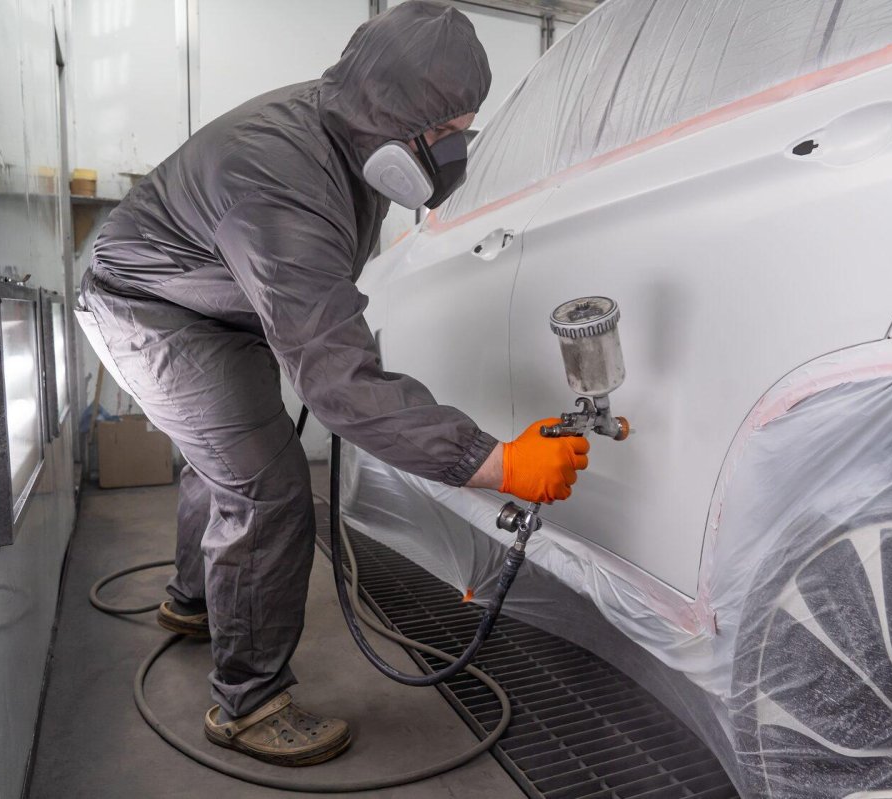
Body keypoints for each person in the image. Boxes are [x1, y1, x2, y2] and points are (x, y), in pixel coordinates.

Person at [75, 1, 588, 767]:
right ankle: (247, 702)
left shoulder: (352, 144)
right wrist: (495, 461)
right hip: (148, 305)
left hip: (215, 301)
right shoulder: (278, 173)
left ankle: (191, 601)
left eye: (465, 128)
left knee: (227, 455)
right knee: (265, 483)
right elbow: (339, 383)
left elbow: (322, 301)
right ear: (399, 118)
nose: (456, 149)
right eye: (449, 131)